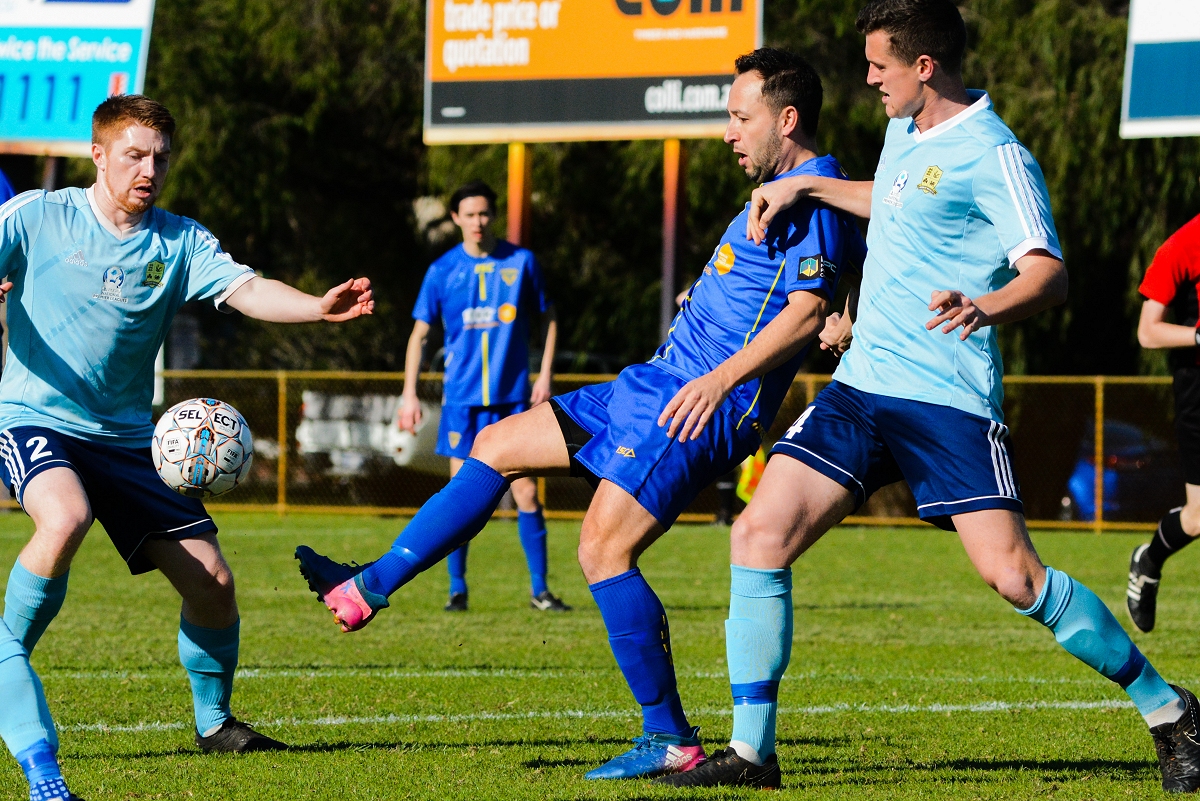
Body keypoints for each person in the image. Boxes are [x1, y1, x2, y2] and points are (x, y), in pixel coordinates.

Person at [658, 0, 1200, 791]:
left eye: (880, 64)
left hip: (945, 397)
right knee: (759, 534)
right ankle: (752, 751)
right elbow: (895, 198)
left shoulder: (996, 152)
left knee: (1015, 577)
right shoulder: (902, 132)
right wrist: (811, 193)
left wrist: (986, 305)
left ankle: (1170, 709)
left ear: (924, 67)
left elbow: (1049, 272)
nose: (869, 78)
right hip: (864, 384)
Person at [296, 47, 866, 781]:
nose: (727, 131)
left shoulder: (814, 193)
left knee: (601, 550)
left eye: (740, 116)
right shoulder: (796, 188)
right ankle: (367, 585)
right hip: (654, 384)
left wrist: (727, 376)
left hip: (697, 404)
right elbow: (851, 265)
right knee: (497, 443)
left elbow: (802, 312)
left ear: (786, 120)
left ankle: (670, 738)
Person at [0, 95, 375, 755]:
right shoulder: (36, 216)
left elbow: (246, 289)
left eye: (160, 158)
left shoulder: (179, 240)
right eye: (134, 155)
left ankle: (215, 723)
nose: (149, 169)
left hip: (125, 438)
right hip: (37, 418)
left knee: (213, 580)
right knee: (63, 518)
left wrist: (317, 306)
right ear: (98, 154)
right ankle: (7, 666)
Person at [395, 180, 568, 612]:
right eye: (469, 214)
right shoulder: (441, 271)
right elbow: (419, 335)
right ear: (456, 218)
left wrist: (544, 374)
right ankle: (457, 590)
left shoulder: (522, 262)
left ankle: (540, 591)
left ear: (494, 215)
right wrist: (409, 394)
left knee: (527, 494)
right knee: (461, 498)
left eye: (485, 213)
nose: (478, 222)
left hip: (512, 402)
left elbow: (548, 317)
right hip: (462, 403)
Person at [1127, 214, 1200, 633]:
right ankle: (1149, 559)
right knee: (1197, 517)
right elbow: (1147, 332)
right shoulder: (1180, 247)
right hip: (1197, 387)